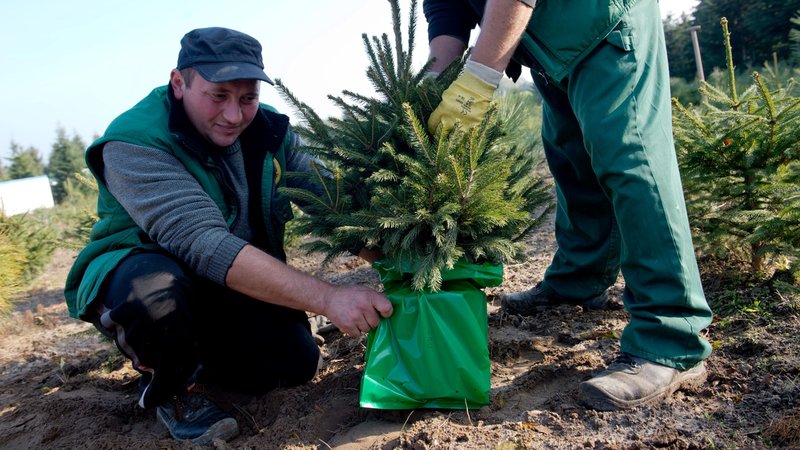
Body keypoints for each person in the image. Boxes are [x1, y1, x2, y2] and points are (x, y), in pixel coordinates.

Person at [64, 27, 393, 444]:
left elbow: (331, 202)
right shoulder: (135, 142)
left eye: (248, 98)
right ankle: (170, 387)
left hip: (229, 278)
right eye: (218, 96)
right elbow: (203, 243)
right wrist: (328, 299)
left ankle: (199, 355)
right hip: (146, 269)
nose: (234, 115)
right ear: (179, 82)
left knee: (292, 364)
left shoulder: (271, 132)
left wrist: (401, 265)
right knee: (154, 297)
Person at [424, 0, 713, 411]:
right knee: (570, 156)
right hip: (546, 43)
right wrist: (436, 80)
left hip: (601, 18)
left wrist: (480, 78)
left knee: (630, 158)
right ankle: (581, 281)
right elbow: (446, 6)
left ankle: (672, 337)